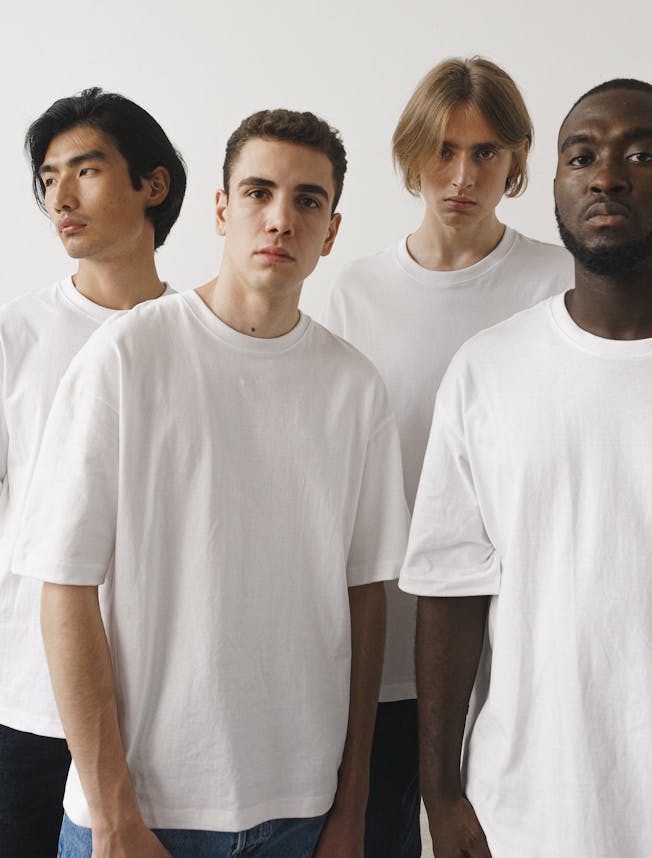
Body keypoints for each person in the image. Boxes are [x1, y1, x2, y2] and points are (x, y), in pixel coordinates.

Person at [13, 108, 410, 858]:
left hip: (303, 810)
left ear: (330, 231)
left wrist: (351, 808)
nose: (280, 219)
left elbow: (365, 602)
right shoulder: (126, 358)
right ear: (222, 210)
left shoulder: (354, 389)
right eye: (258, 193)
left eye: (307, 201)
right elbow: (61, 590)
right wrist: (114, 817)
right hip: (145, 810)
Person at [400, 79, 652, 858]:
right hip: (527, 816)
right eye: (582, 156)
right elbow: (449, 591)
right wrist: (441, 794)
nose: (606, 176)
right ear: (558, 187)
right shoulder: (487, 371)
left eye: (641, 153)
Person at [325, 57, 571, 857]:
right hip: (387, 648)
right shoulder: (350, 293)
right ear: (409, 154)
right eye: (442, 150)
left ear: (519, 160)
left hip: (521, 651)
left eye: (487, 153)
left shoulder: (558, 282)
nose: (462, 175)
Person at [0, 86, 186, 858]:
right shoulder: (18, 336)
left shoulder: (197, 340)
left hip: (161, 715)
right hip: (28, 706)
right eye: (48, 179)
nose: (61, 197)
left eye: (86, 170)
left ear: (153, 184)